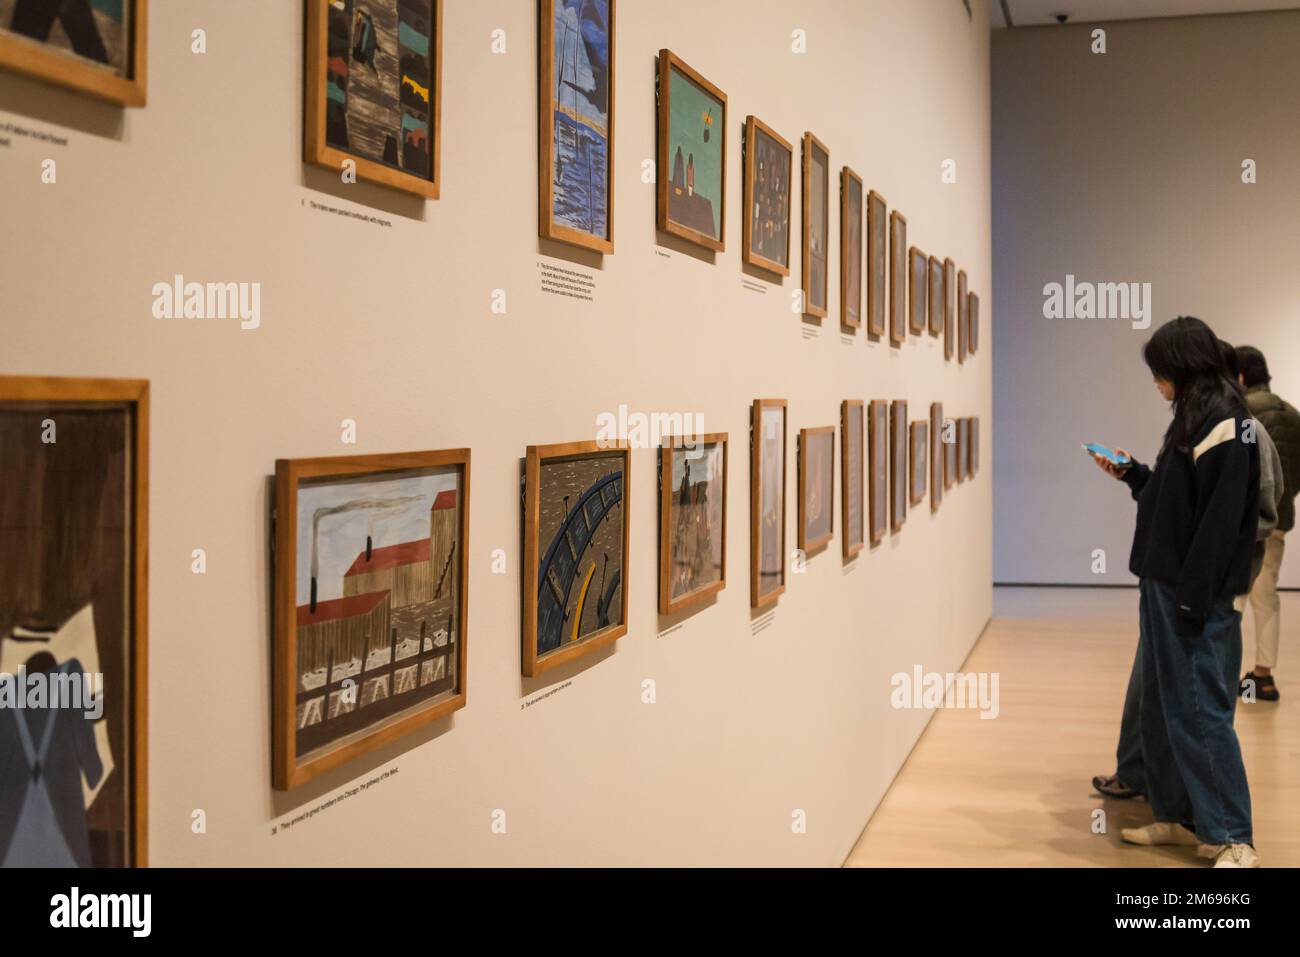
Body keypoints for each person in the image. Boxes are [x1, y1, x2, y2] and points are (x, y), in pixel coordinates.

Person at [1091, 317, 1258, 868]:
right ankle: (1180, 818)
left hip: (1194, 595)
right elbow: (1174, 502)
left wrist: (1193, 599)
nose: (1156, 381)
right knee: (1164, 707)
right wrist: (1135, 475)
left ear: (1182, 367)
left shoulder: (1228, 426)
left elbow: (1219, 524)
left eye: (1160, 370)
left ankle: (1233, 836)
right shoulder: (1191, 420)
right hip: (1164, 586)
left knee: (1201, 712)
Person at [1236, 345, 1300, 702]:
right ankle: (1263, 677)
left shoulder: (1244, 413)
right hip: (1279, 520)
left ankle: (1225, 675)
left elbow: (1240, 467)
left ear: (1241, 376)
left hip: (1247, 523)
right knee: (1267, 597)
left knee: (1235, 597)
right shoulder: (1292, 413)